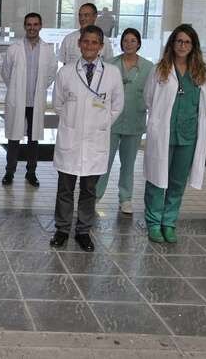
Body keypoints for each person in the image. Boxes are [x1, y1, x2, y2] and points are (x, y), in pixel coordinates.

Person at [50, 25, 123, 252]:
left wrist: (100, 124)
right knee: (65, 189)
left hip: (95, 141)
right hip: (71, 140)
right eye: (86, 41)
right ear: (79, 44)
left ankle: (83, 231)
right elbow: (58, 104)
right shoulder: (66, 72)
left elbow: (117, 105)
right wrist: (73, 123)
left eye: (94, 42)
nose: (89, 46)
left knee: (89, 191)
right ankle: (62, 229)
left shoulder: (112, 73)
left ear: (101, 46)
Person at [143, 24, 206, 244]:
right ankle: (154, 222)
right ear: (172, 43)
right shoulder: (159, 69)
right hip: (164, 133)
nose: (182, 45)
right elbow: (148, 98)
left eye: (187, 42)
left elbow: (201, 104)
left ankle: (169, 223)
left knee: (177, 182)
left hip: (188, 136)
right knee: (156, 179)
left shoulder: (200, 72)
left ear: (193, 46)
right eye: (179, 41)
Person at [95, 28, 154, 214]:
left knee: (128, 164)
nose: (129, 44)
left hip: (135, 120)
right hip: (111, 121)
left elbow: (152, 93)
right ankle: (96, 196)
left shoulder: (148, 67)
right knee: (104, 162)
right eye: (126, 40)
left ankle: (125, 198)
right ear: (121, 43)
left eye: (133, 41)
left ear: (139, 44)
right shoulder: (110, 64)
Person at [0, 12, 57, 188]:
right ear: (25, 26)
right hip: (18, 100)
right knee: (14, 138)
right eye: (29, 24)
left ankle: (31, 173)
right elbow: (6, 73)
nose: (32, 28)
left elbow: (51, 74)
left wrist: (39, 88)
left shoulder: (47, 50)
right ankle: (9, 172)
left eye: (35, 24)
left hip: (35, 101)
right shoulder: (14, 48)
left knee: (34, 140)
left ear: (41, 26)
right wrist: (16, 88)